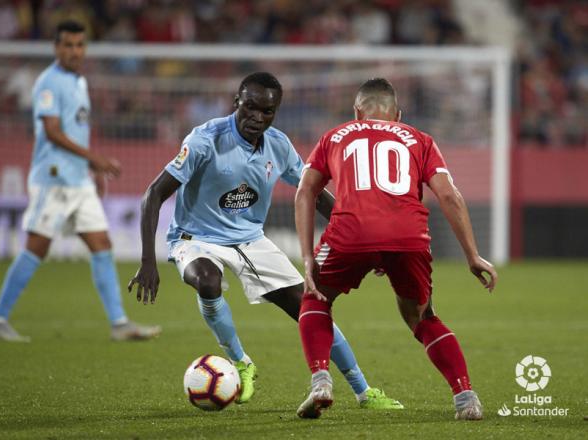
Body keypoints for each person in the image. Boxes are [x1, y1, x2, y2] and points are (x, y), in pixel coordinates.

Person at [128, 72, 401, 408]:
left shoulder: (279, 146)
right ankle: (242, 363)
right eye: (250, 108)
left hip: (251, 239)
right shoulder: (204, 140)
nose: (257, 117)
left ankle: (363, 390)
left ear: (276, 112)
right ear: (236, 103)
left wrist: (366, 242)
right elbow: (153, 194)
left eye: (266, 112)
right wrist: (147, 261)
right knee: (208, 282)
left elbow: (314, 193)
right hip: (196, 237)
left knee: (311, 307)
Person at [294, 78, 497, 420]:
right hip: (408, 237)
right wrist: (472, 255)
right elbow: (449, 195)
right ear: (398, 115)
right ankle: (466, 397)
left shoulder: (335, 136)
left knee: (315, 298)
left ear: (357, 112)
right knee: (422, 316)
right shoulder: (421, 139)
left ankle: (320, 382)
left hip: (350, 233)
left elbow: (305, 192)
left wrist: (306, 256)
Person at [0, 20, 161, 342]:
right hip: (53, 178)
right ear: (56, 47)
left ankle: (119, 323)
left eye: (80, 45)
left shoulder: (79, 81)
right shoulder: (49, 82)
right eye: (68, 45)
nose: (74, 51)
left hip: (77, 179)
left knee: (101, 245)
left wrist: (90, 171)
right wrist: (95, 159)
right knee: (37, 247)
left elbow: (76, 129)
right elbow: (52, 131)